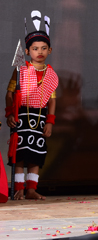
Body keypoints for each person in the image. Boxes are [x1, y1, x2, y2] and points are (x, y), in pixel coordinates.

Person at [5, 14, 58, 200]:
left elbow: (52, 100)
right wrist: (10, 114)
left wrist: (50, 121)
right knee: (20, 152)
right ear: (27, 51)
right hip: (21, 115)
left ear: (50, 50)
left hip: (39, 117)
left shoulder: (50, 74)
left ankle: (31, 189)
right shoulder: (20, 70)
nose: (40, 52)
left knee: (36, 153)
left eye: (43, 48)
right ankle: (19, 188)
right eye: (35, 48)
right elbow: (10, 94)